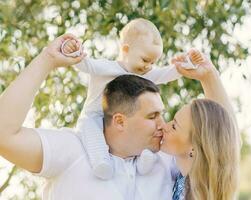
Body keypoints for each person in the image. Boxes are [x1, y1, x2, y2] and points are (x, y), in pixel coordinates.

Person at [0, 34, 179, 200]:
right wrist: (48, 59)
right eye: (152, 116)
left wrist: (207, 77)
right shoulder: (71, 149)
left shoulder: (167, 162)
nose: (163, 125)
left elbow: (208, 156)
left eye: (161, 115)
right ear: (120, 121)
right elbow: (3, 135)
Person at [60, 18, 197, 179]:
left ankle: (144, 161)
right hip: (94, 115)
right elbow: (85, 64)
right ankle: (100, 161)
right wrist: (71, 50)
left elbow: (165, 74)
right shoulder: (107, 68)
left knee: (145, 130)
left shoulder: (143, 74)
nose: (149, 66)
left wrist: (186, 64)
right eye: (145, 60)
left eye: (153, 62)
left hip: (124, 125)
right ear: (126, 49)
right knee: (91, 131)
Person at [160, 52, 241, 200]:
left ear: (194, 148)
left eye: (174, 126)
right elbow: (227, 136)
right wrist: (208, 75)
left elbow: (229, 139)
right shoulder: (177, 173)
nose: (164, 126)